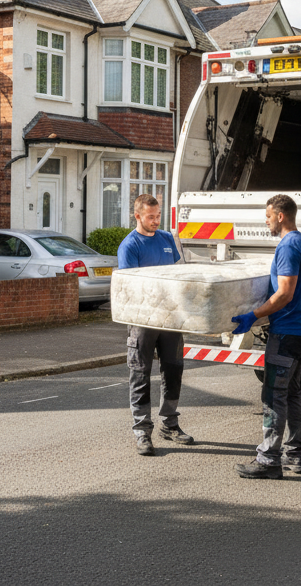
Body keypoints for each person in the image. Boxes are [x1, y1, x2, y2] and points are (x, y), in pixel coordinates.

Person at [230, 194, 301, 479]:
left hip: (287, 331)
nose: (265, 221)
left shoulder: (289, 246)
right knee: (292, 392)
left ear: (280, 216)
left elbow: (285, 293)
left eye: (268, 216)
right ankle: (295, 455)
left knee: (273, 395)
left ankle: (269, 460)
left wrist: (253, 316)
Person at [117, 194, 193, 456]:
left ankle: (170, 424)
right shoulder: (130, 246)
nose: (155, 221)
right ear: (137, 216)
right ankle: (142, 431)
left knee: (173, 371)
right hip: (143, 321)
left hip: (170, 319)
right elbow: (130, 287)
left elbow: (177, 275)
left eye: (158, 215)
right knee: (140, 374)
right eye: (151, 217)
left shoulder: (167, 239)